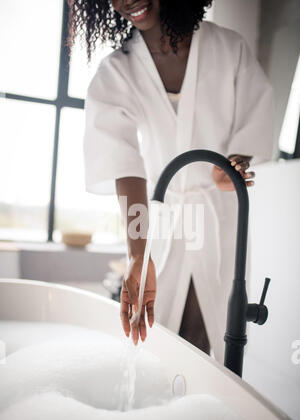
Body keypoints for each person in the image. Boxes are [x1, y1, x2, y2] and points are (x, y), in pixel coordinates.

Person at [68, 0, 274, 362]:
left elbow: (253, 124)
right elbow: (124, 163)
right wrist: (137, 254)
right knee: (157, 344)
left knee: (214, 335)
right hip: (159, 222)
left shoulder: (229, 49)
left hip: (217, 216)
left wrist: (233, 166)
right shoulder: (117, 72)